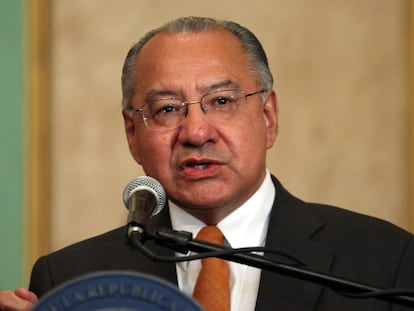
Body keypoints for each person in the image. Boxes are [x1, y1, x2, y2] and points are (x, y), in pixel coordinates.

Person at [1, 16, 413, 311]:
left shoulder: (385, 262)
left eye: (221, 102)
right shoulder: (74, 281)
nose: (196, 132)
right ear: (132, 135)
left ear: (268, 118)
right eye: (166, 109)